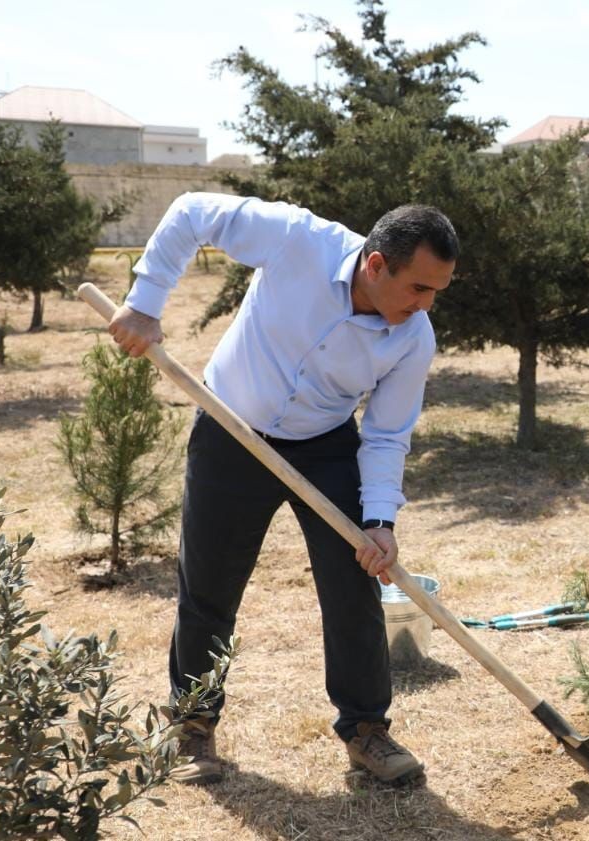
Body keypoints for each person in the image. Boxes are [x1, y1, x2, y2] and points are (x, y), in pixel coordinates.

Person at [108, 192, 457, 784]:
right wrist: (144, 302)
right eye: (418, 289)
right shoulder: (298, 239)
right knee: (208, 589)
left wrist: (379, 521)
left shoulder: (412, 337)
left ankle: (366, 729)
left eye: (435, 293)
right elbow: (192, 212)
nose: (425, 306)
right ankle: (192, 726)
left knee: (356, 582)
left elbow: (387, 434)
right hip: (230, 429)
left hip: (324, 445)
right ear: (376, 265)